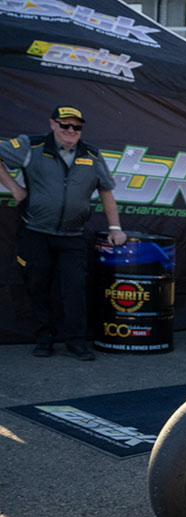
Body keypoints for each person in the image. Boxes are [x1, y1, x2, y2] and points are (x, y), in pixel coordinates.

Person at [0, 105, 126, 360]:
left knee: (75, 288)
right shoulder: (31, 145)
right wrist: (15, 188)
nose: (71, 130)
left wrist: (115, 228)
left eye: (76, 126)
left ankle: (76, 342)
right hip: (35, 232)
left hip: (73, 236)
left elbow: (106, 190)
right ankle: (44, 339)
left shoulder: (91, 154)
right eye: (65, 125)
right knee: (37, 286)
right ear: (52, 124)